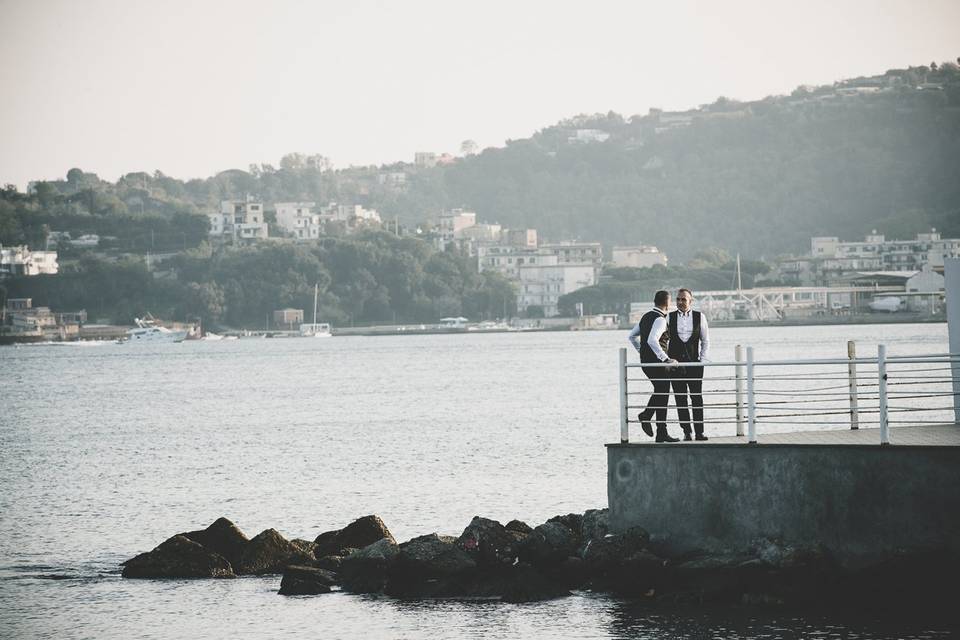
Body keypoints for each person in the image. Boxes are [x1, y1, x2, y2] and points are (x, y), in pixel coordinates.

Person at [628, 290, 680, 443]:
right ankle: (651, 421)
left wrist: (641, 352)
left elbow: (631, 336)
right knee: (663, 390)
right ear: (667, 303)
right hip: (657, 363)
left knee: (661, 390)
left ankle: (656, 427)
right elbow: (652, 340)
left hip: (646, 362)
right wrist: (666, 359)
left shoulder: (645, 317)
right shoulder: (661, 319)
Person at [667, 288, 710, 441]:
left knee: (697, 398)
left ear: (690, 301)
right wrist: (666, 359)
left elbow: (705, 340)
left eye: (683, 299)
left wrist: (702, 361)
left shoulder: (700, 317)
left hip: (695, 364)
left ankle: (699, 432)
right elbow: (663, 341)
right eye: (678, 299)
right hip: (675, 365)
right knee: (680, 398)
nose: (680, 302)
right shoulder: (669, 318)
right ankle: (686, 432)